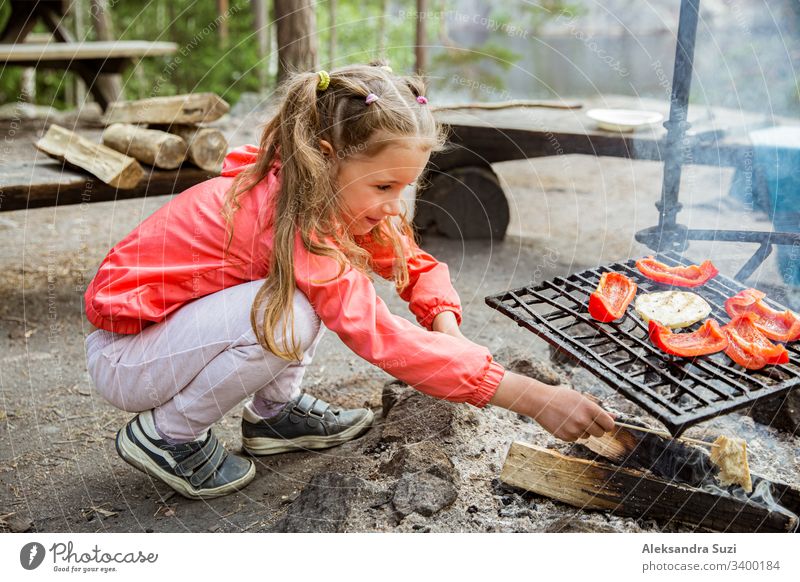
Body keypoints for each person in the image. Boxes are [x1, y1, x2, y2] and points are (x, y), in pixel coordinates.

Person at [84, 62, 615, 500]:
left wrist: (446, 328)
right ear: (328, 157)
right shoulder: (288, 218)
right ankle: (168, 436)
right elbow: (377, 334)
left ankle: (274, 416)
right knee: (291, 313)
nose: (394, 204)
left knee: (296, 303)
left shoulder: (331, 194)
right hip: (128, 354)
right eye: (385, 184)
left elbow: (414, 263)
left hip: (170, 336)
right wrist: (534, 398)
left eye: (405, 186)